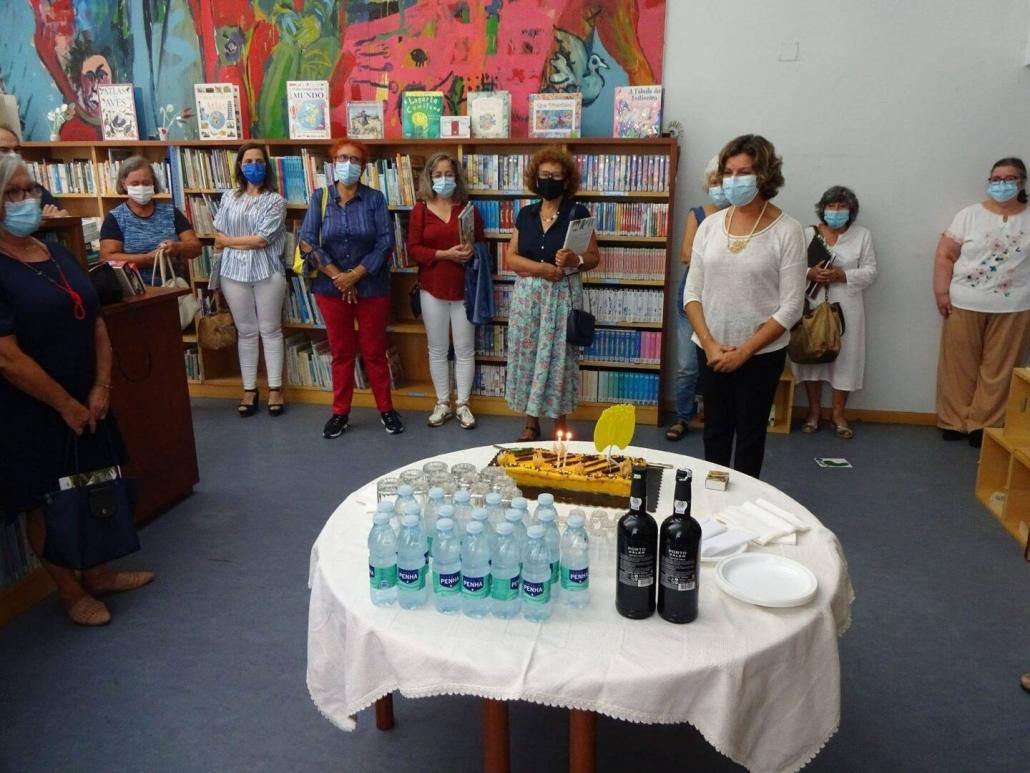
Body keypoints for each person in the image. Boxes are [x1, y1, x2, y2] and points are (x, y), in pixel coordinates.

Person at [0, 155, 152, 626]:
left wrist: (101, 385)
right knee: (48, 500)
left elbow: (95, 320)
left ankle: (99, 573)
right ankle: (70, 592)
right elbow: (7, 356)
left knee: (96, 481)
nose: (26, 200)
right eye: (12, 193)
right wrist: (64, 404)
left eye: (30, 189)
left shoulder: (56, 252)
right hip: (35, 406)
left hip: (89, 395)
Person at [683, 134, 806, 479]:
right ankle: (714, 501)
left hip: (760, 355)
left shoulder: (788, 230)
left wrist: (745, 352)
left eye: (744, 172)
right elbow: (692, 292)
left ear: (764, 175)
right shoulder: (709, 226)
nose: (734, 180)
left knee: (751, 436)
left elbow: (791, 306)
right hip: (711, 351)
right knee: (714, 432)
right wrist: (709, 344)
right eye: (728, 172)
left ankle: (743, 506)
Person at [299, 139, 404, 439]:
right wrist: (338, 277)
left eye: (355, 159)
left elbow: (385, 243)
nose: (348, 164)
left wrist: (355, 275)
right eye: (343, 158)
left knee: (374, 351)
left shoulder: (375, 199)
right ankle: (340, 413)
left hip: (371, 286)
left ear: (363, 167)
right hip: (330, 287)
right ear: (333, 163)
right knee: (341, 352)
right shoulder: (319, 197)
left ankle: (386, 409)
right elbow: (307, 242)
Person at [503, 146, 600, 441]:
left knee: (560, 359)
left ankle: (560, 422)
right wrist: (541, 269)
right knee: (527, 356)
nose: (549, 180)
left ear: (566, 180)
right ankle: (530, 423)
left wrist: (575, 260)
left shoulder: (578, 213)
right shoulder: (526, 214)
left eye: (556, 176)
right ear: (535, 178)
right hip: (528, 298)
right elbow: (511, 258)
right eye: (544, 174)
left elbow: (593, 257)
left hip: (562, 297)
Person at [934, 157, 1030, 448]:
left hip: (1014, 306)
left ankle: (984, 425)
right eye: (996, 179)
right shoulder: (969, 215)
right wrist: (941, 292)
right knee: (958, 366)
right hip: (964, 302)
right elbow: (945, 255)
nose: (1002, 184)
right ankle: (954, 421)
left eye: (1009, 179)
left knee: (1000, 370)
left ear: (1022, 183)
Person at [406, 151, 485, 429]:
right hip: (431, 288)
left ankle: (463, 404)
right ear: (429, 177)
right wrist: (443, 254)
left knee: (465, 348)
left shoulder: (468, 210)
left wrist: (471, 251)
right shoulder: (420, 211)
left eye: (449, 174)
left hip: (464, 289)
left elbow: (481, 244)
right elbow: (413, 249)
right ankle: (442, 403)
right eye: (438, 174)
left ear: (457, 177)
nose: (443, 179)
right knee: (437, 348)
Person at [792, 186, 877, 439]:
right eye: (831, 206)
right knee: (813, 356)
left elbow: (871, 272)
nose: (836, 211)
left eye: (842, 206)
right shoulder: (807, 233)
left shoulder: (862, 235)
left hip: (847, 307)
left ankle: (838, 415)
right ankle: (813, 413)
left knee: (846, 360)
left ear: (851, 210)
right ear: (823, 208)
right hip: (813, 303)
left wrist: (843, 275)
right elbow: (790, 266)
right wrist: (810, 273)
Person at [212, 142, 288, 418]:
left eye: (258, 161)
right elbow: (218, 233)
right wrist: (232, 244)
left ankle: (275, 389)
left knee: (270, 329)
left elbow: (262, 239)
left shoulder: (276, 201)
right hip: (232, 272)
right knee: (245, 331)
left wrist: (229, 241)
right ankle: (249, 389)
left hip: (267, 271)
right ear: (240, 166)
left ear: (266, 166)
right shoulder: (228, 197)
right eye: (248, 161)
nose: (253, 166)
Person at [666, 155, 728, 442]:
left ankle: (716, 416)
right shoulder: (699, 214)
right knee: (687, 366)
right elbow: (685, 255)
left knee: (721, 362)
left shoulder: (743, 220)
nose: (720, 187)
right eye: (715, 182)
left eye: (724, 181)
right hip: (692, 298)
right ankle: (682, 416)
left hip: (725, 300)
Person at [99, 156, 201, 282]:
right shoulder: (115, 218)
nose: (141, 187)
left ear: (153, 183)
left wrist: (177, 247)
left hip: (173, 287)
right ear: (124, 184)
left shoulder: (171, 213)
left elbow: (196, 248)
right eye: (135, 184)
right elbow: (108, 258)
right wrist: (147, 259)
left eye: (146, 183)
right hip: (136, 288)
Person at [0, 123, 69, 217]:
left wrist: (54, 218)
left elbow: (63, 213)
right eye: (3, 150)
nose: (13, 155)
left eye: (16, 150)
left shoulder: (31, 187)